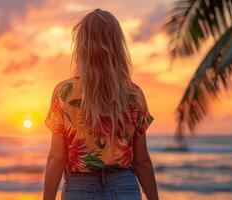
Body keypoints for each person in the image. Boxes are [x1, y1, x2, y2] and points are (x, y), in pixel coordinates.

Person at [42, 9, 159, 200]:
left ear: (81, 46)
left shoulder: (65, 92)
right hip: (124, 186)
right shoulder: (133, 93)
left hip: (80, 188)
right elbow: (142, 160)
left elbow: (57, 157)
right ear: (117, 45)